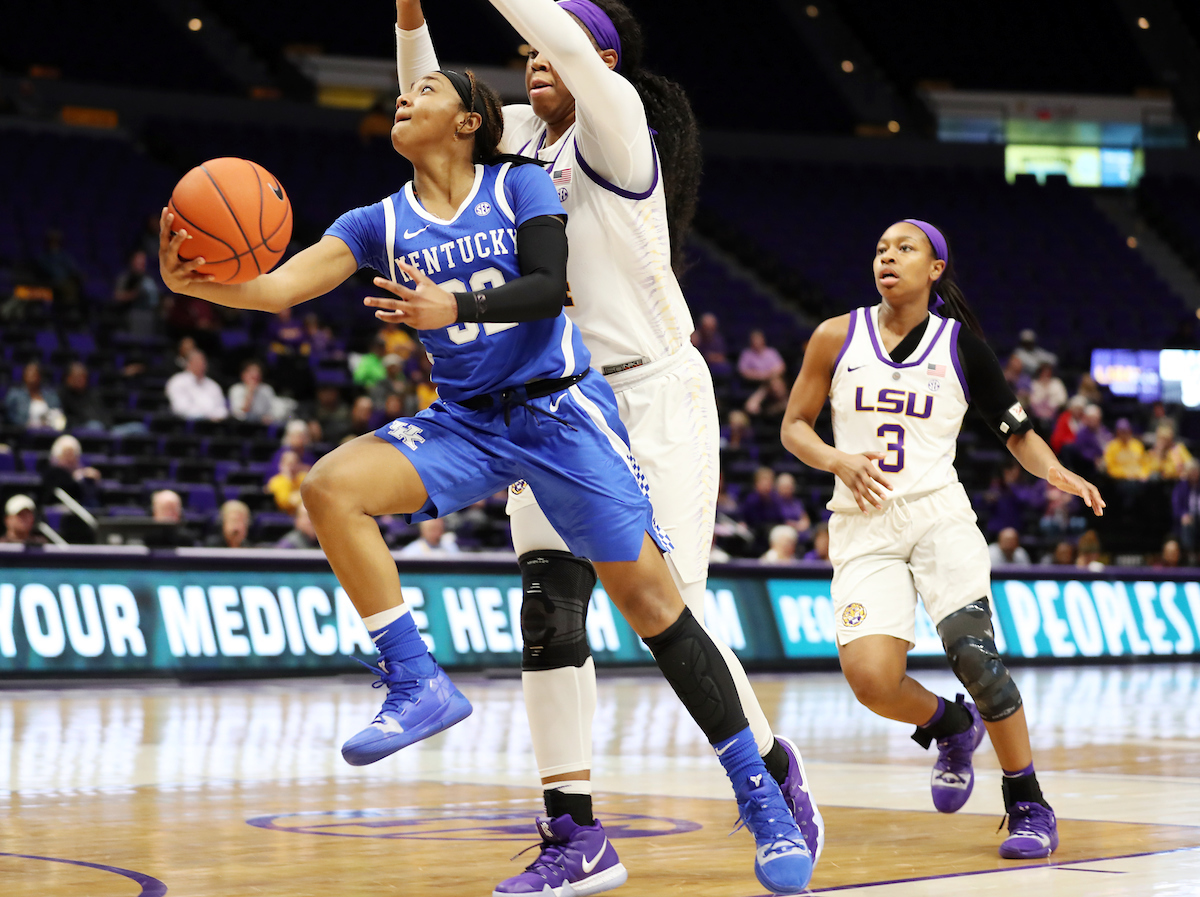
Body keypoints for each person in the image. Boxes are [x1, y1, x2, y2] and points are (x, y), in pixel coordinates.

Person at [161, 64, 812, 895]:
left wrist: (456, 311)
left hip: (563, 415)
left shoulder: (522, 186)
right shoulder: (377, 221)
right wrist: (204, 282)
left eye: (426, 90)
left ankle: (762, 797)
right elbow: (283, 285)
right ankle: (415, 680)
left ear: (469, 121)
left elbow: (546, 289)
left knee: (656, 608)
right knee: (331, 486)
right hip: (468, 421)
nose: (405, 96)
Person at [396, 10, 822, 892]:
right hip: (557, 397)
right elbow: (432, 102)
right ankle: (575, 834)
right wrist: (411, 16)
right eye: (522, 61)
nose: (528, 66)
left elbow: (550, 26)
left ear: (597, 60)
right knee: (549, 606)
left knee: (676, 613)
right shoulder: (522, 141)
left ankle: (773, 772)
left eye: (545, 52)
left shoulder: (618, 125)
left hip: (653, 391)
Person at [781, 218, 1105, 860]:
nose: (887, 257)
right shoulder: (835, 336)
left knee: (975, 657)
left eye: (905, 249)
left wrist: (1055, 469)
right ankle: (950, 726)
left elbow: (1017, 431)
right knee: (872, 680)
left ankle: (1028, 803)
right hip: (862, 521)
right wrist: (836, 459)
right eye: (879, 248)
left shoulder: (962, 348)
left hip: (937, 517)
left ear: (935, 270)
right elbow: (794, 427)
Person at [166, 349, 228, 421]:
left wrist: (216, 416)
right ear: (188, 363)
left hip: (214, 425)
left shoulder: (213, 385)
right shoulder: (177, 381)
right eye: (197, 362)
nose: (201, 365)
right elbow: (180, 408)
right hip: (186, 425)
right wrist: (207, 416)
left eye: (203, 362)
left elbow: (222, 409)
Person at [112, 248, 161, 336]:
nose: (140, 264)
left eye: (143, 261)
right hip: (128, 312)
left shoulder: (148, 279)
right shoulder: (125, 278)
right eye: (138, 261)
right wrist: (134, 294)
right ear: (132, 261)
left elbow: (155, 299)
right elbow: (117, 296)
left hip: (148, 313)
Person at [4, 360, 64, 430]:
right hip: (24, 433)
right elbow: (10, 417)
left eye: (34, 373)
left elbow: (58, 414)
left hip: (48, 431)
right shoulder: (15, 395)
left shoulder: (51, 395)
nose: (31, 376)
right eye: (29, 373)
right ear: (24, 376)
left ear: (40, 376)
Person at [228, 359, 278, 424]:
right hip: (241, 424)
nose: (255, 375)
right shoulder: (236, 389)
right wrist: (250, 393)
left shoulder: (267, 390)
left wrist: (268, 417)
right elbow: (238, 414)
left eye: (257, 374)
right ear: (243, 375)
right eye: (252, 375)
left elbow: (273, 411)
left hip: (262, 425)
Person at [1173, 459, 1200, 562]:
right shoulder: (1181, 486)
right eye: (1191, 471)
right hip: (1188, 518)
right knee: (1187, 523)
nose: (1194, 473)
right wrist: (1183, 515)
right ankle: (1190, 554)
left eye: (1196, 471)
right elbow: (1176, 506)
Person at [1027, 362, 1067, 431]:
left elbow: (1063, 400)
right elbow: (1032, 401)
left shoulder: (1057, 383)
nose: (1046, 375)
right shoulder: (1034, 384)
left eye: (1048, 373)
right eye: (1044, 372)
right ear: (1040, 373)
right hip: (1036, 418)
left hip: (1054, 415)